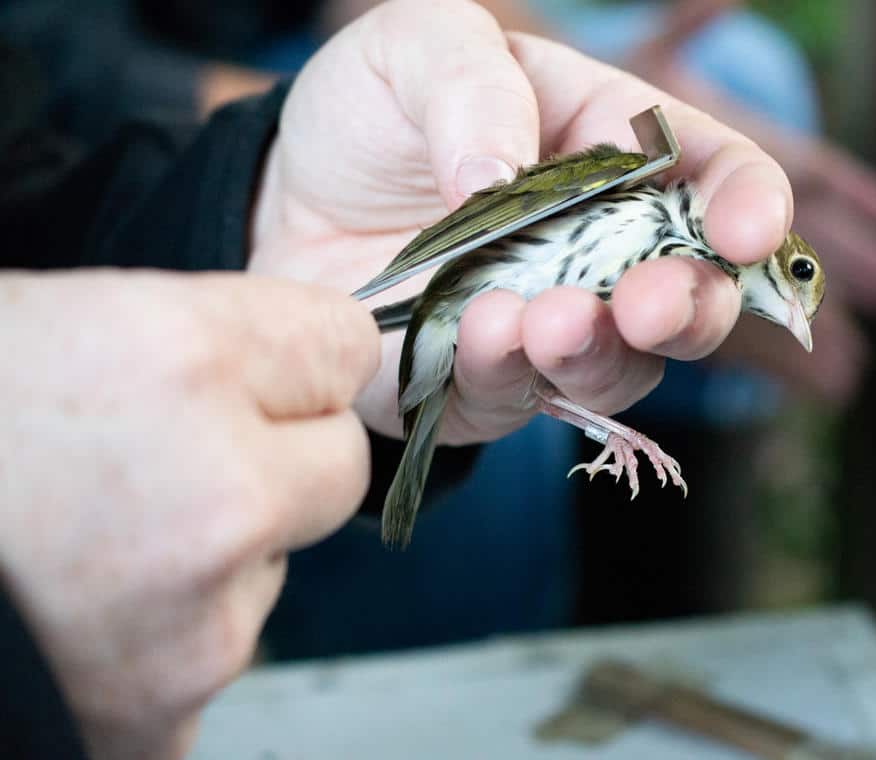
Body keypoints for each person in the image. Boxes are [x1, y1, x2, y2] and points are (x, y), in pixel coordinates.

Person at [0, 0, 802, 756]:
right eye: (797, 278)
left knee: (748, 84)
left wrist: (253, 199)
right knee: (490, 414)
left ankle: (640, 644)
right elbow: (59, 57)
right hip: (124, 79)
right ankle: (476, 704)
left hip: (139, 136)